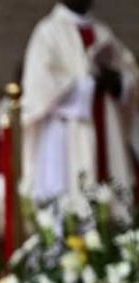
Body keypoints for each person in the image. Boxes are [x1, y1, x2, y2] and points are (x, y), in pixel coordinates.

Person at [21, 0, 138, 201]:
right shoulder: (47, 32)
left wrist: (117, 82)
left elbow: (130, 76)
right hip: (66, 134)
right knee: (72, 201)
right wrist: (88, 85)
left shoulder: (103, 32)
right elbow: (39, 85)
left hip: (107, 128)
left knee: (113, 200)